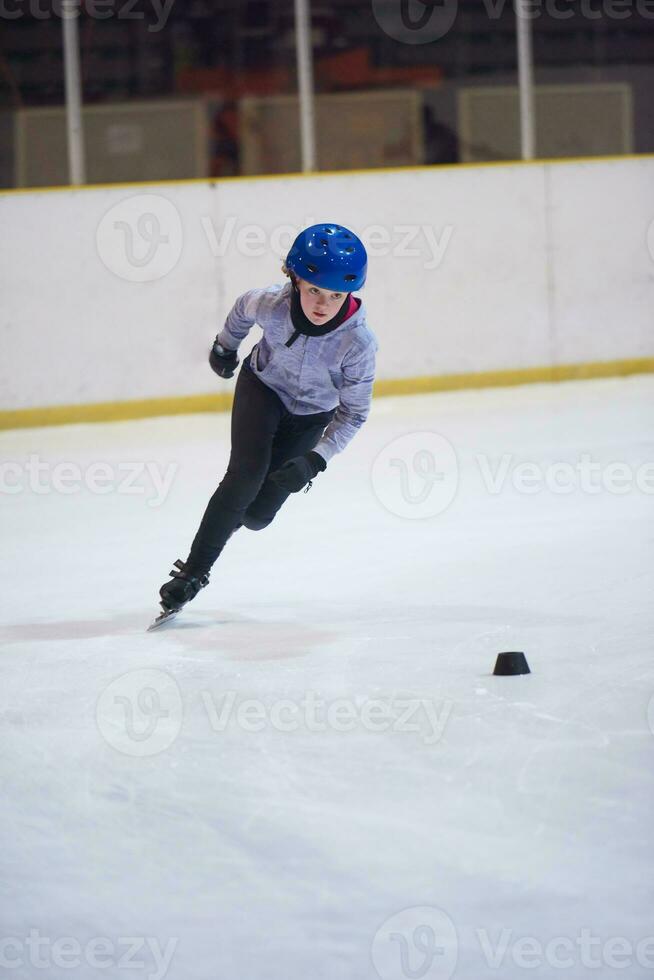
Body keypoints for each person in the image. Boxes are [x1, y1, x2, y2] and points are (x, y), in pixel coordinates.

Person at [156, 223, 378, 617]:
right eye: (313, 290)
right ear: (294, 278)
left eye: (335, 295)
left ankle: (233, 517)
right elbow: (242, 310)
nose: (323, 304)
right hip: (263, 389)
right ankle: (193, 572)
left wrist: (316, 458)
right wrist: (225, 347)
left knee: (257, 516)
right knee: (244, 474)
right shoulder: (272, 304)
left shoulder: (357, 343)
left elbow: (354, 412)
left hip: (312, 415)